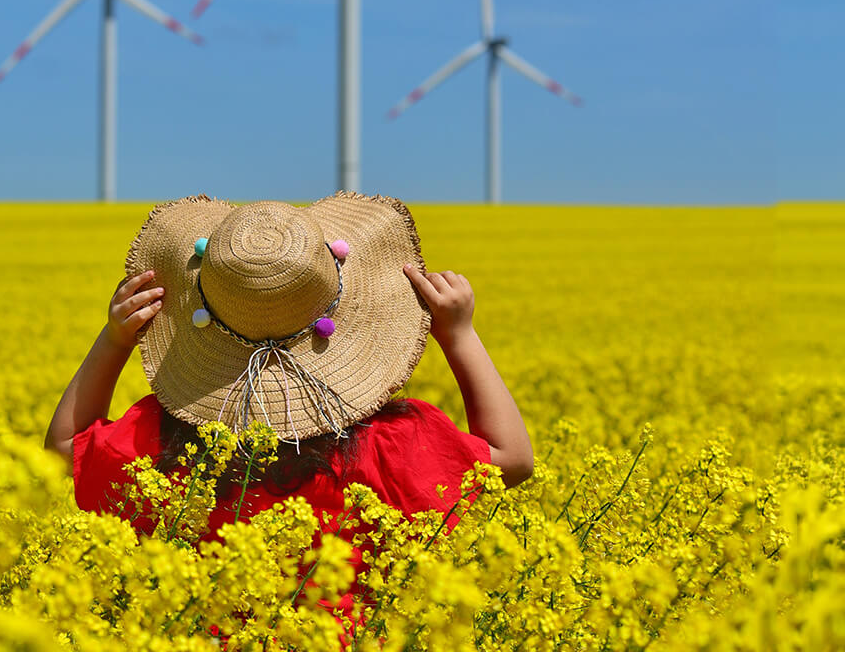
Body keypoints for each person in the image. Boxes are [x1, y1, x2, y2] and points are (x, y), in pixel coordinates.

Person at [43, 192, 533, 608]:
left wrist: (112, 341)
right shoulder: (389, 448)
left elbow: (65, 447)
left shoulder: (163, 449)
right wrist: (460, 335)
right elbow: (511, 460)